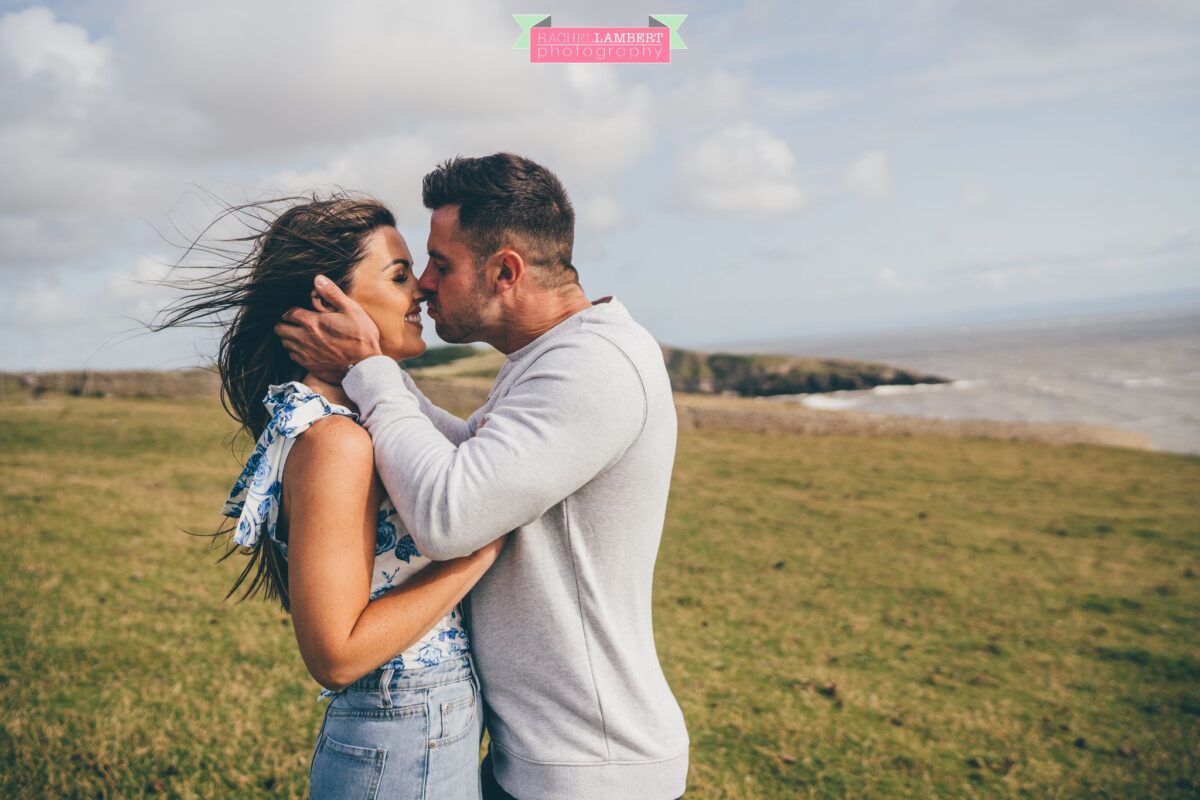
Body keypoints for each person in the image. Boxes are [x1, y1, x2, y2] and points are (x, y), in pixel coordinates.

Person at [276, 153, 690, 800]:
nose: (427, 285)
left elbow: (449, 515)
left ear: (505, 271)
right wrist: (370, 368)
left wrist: (370, 369)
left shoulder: (594, 368)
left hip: (591, 769)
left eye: (441, 264)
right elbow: (470, 456)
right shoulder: (552, 357)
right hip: (547, 759)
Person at [157, 194, 501, 799]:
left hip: (420, 724)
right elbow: (336, 655)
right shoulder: (335, 441)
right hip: (401, 732)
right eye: (398, 276)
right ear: (327, 302)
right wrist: (479, 550)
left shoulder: (358, 421)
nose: (421, 288)